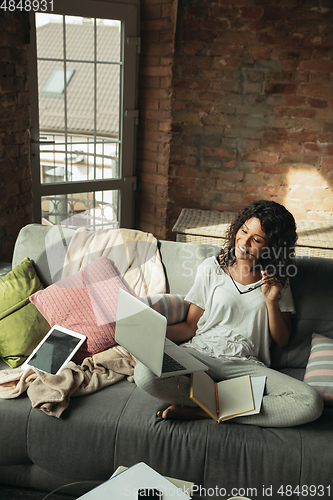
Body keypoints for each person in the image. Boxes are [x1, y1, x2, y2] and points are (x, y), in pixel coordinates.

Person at [134, 200, 324, 427]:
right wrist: (150, 333)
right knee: (145, 373)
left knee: (309, 402)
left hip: (246, 366)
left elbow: (282, 341)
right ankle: (229, 404)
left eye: (257, 239)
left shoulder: (277, 282)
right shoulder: (211, 268)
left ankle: (204, 411)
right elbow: (190, 327)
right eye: (244, 231)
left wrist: (271, 301)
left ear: (272, 247)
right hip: (199, 356)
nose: (244, 241)